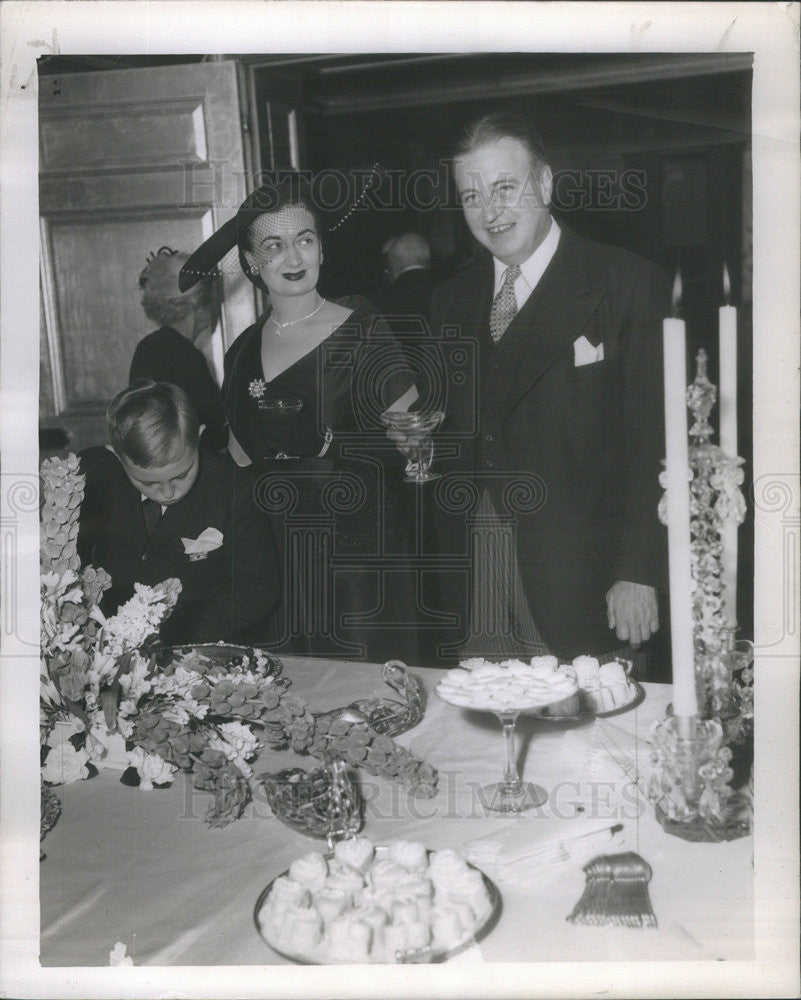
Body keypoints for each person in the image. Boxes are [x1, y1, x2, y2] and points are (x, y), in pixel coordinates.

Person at [404, 112, 670, 667]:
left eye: (505, 188)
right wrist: (418, 447)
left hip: (583, 579)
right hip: (477, 574)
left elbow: (656, 443)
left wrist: (637, 572)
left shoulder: (626, 283)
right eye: (471, 195)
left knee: (591, 744)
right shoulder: (448, 301)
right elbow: (449, 437)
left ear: (545, 184)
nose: (490, 211)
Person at [179, 175, 420, 661]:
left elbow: (414, 445)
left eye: (304, 240)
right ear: (251, 262)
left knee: (363, 689)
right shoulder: (242, 349)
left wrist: (347, 448)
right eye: (274, 245)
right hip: (274, 557)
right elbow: (239, 465)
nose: (293, 258)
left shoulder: (362, 326)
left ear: (321, 250)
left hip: (357, 549)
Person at [77, 380, 280, 646]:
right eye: (148, 483)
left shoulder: (234, 490)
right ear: (116, 455)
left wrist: (175, 639)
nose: (168, 493)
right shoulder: (90, 476)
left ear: (198, 436)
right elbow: (66, 565)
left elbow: (257, 590)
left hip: (201, 641)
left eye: (181, 475)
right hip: (108, 639)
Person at [131, 247, 228, 452]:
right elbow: (212, 429)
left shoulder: (150, 347)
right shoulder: (185, 355)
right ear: (196, 303)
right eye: (210, 299)